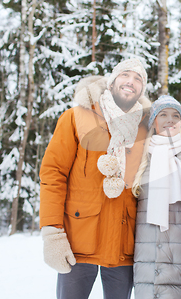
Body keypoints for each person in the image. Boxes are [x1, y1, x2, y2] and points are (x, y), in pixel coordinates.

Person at [39, 58, 150, 299]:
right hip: (78, 242)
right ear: (111, 82)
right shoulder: (76, 117)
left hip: (122, 246)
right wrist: (52, 233)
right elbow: (53, 173)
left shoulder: (143, 129)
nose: (131, 81)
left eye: (138, 78)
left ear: (142, 89)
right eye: (125, 75)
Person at [132, 95, 181, 299]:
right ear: (153, 122)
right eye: (163, 114)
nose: (170, 119)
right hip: (147, 258)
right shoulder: (141, 156)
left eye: (176, 115)